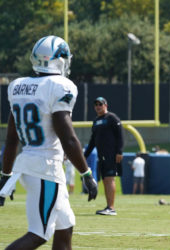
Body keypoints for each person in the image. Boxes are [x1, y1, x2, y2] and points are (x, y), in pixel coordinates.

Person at [0, 35, 97, 249]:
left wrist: (5, 175)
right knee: (39, 234)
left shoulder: (18, 86)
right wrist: (86, 174)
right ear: (59, 60)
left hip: (31, 165)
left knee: (65, 226)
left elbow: (11, 139)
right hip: (46, 168)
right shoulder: (60, 86)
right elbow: (68, 138)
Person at [84, 97, 124, 216]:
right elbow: (93, 141)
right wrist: (84, 155)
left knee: (110, 178)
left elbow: (120, 135)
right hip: (101, 156)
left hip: (111, 154)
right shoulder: (96, 121)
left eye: (100, 104)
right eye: (96, 104)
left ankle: (111, 208)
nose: (98, 106)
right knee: (106, 180)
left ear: (105, 105)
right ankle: (108, 206)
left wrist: (119, 151)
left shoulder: (111, 118)